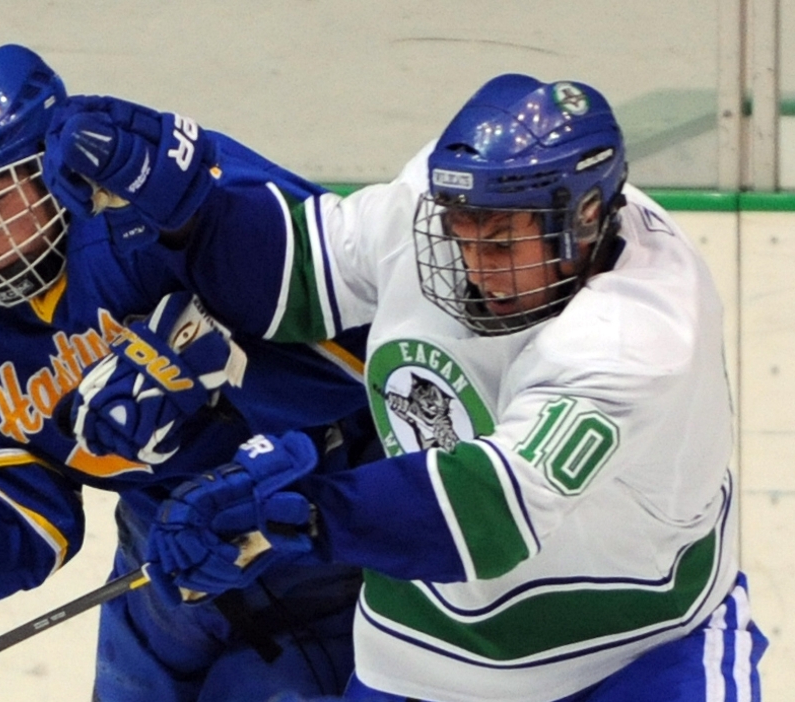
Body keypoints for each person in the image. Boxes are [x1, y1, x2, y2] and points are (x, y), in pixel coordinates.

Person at [39, 74, 768, 701]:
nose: (475, 264)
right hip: (429, 652)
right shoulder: (441, 205)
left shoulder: (637, 331)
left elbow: (487, 508)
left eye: (502, 243)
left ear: (583, 220)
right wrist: (188, 208)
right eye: (462, 233)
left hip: (635, 646)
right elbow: (299, 273)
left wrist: (296, 511)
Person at [0, 43, 381, 702]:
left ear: (49, 172)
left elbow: (373, 333)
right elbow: (17, 477)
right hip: (164, 548)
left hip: (320, 504)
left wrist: (228, 365)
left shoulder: (161, 201)